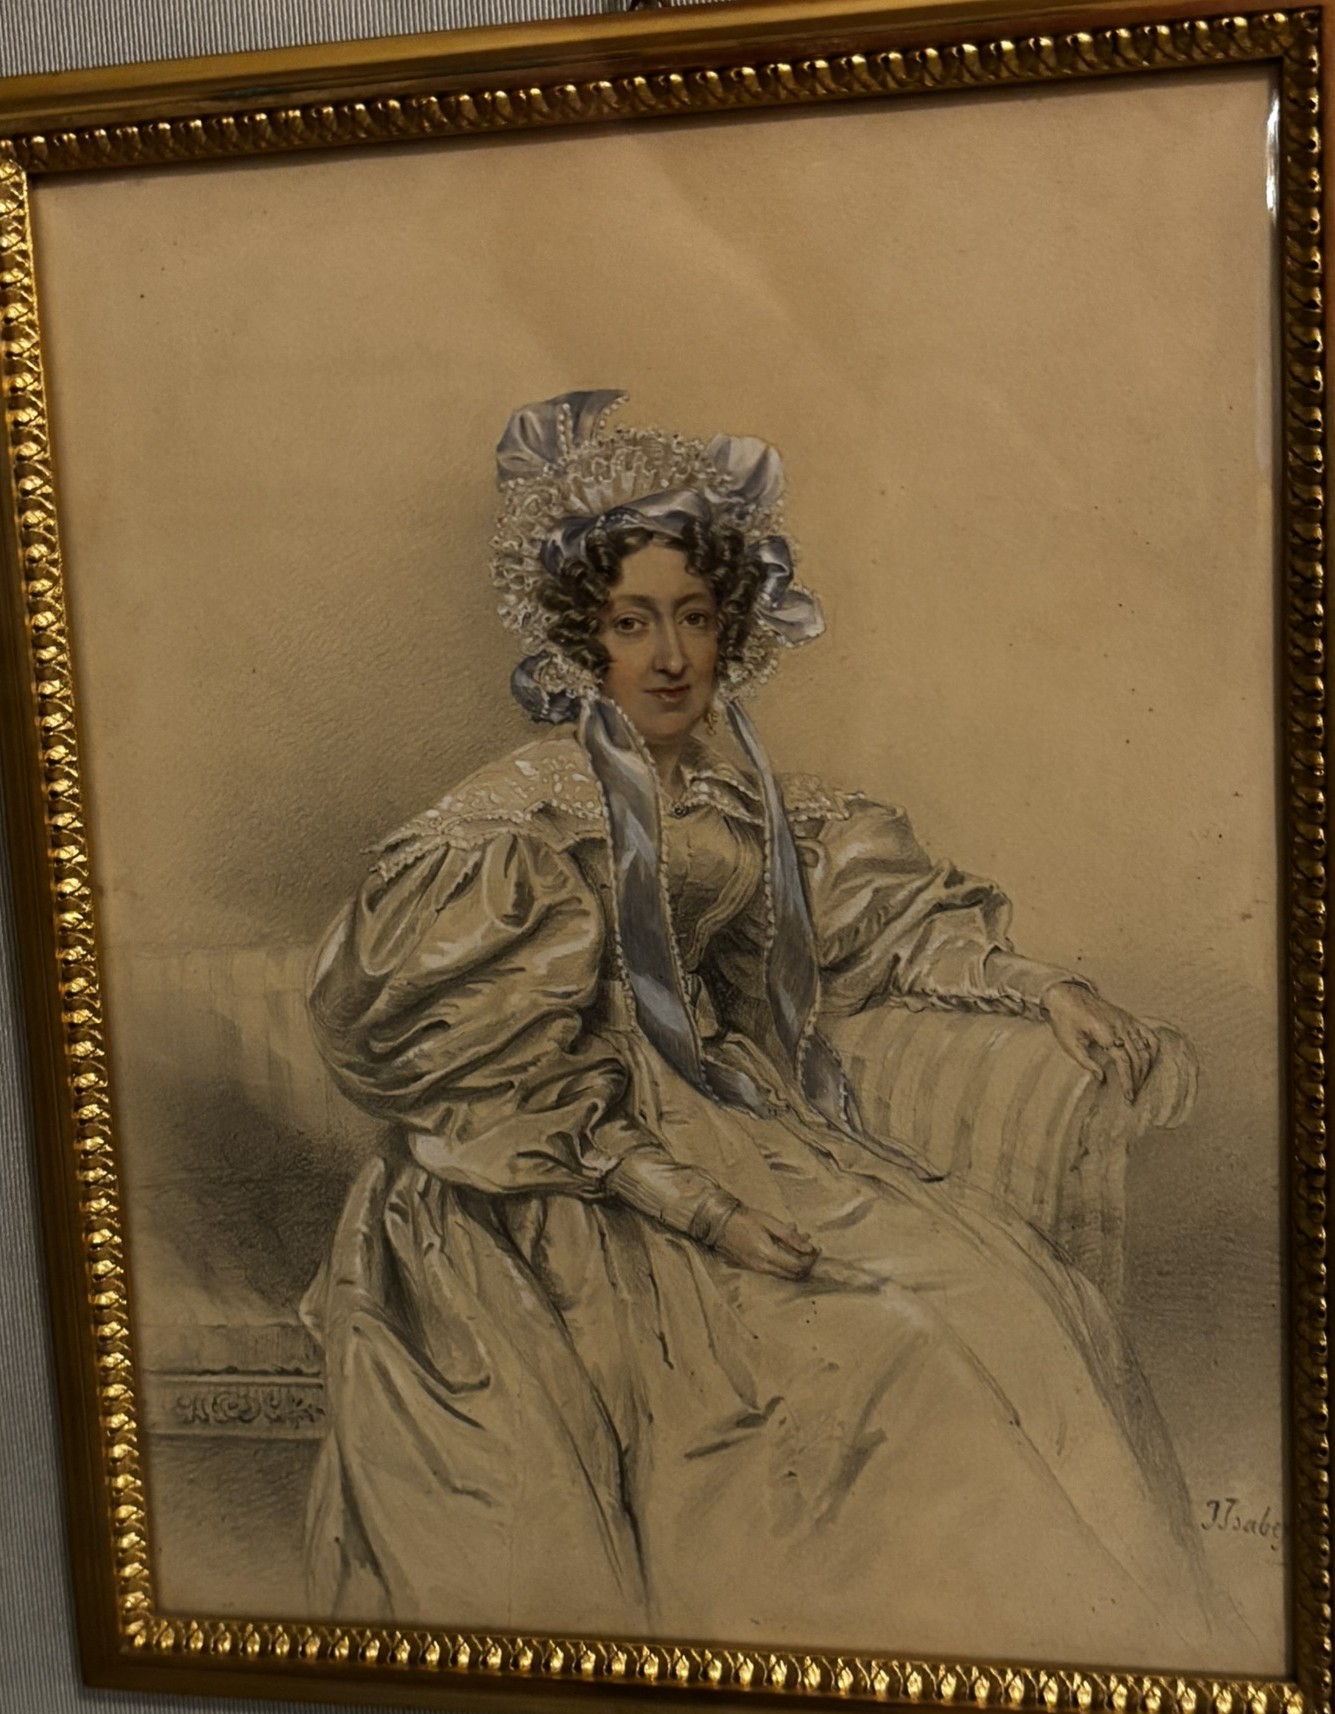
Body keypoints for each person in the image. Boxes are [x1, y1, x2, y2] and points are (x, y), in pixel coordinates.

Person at [301, 391, 1229, 1666]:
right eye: (633, 622)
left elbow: (871, 924)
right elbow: (471, 1073)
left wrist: (1042, 989)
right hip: (548, 1180)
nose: (670, 655)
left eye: (695, 616)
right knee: (867, 1359)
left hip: (730, 1117)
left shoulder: (741, 797)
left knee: (1009, 1301)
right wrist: (696, 1205)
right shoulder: (512, 822)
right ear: (581, 637)